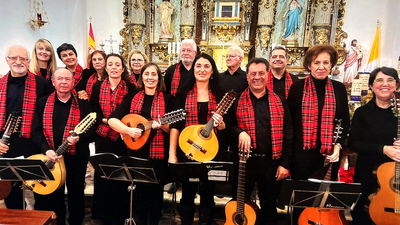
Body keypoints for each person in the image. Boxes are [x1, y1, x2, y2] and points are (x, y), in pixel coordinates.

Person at [229, 58, 293, 224]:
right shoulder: (236, 100)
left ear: (267, 74)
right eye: (253, 74)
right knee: (239, 205)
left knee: (269, 207)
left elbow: (288, 133)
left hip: (271, 162)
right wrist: (240, 132)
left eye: (261, 73)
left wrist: (285, 163)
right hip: (244, 162)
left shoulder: (280, 101)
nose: (257, 77)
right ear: (247, 76)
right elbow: (227, 127)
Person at [108, 63, 172, 225]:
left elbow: (172, 128)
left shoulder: (167, 98)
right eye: (147, 74)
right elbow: (112, 119)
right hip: (136, 153)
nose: (150, 77)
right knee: (138, 196)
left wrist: (162, 125)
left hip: (158, 155)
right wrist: (128, 131)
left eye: (154, 74)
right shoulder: (132, 98)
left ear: (159, 78)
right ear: (141, 78)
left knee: (156, 196)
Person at [32, 68, 94, 225]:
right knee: (54, 194)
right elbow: (35, 131)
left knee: (76, 193)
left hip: (76, 157)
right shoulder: (42, 102)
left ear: (73, 82)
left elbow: (92, 131)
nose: (64, 82)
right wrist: (46, 150)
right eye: (60, 79)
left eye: (68, 79)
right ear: (53, 81)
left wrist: (80, 138)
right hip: (50, 156)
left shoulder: (83, 104)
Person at [169, 53, 225, 225]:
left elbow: (226, 126)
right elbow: (176, 126)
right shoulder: (183, 93)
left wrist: (221, 123)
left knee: (208, 194)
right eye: (198, 66)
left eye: (206, 66)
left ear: (212, 70)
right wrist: (172, 153)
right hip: (188, 148)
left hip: (211, 150)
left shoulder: (220, 94)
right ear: (193, 70)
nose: (202, 70)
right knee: (187, 193)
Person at [0, 45, 53, 209]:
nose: (18, 61)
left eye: (23, 58)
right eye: (14, 58)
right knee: (12, 193)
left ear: (29, 61)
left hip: (34, 143)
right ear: (7, 60)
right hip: (6, 144)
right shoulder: (0, 84)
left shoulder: (43, 84)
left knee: (41, 189)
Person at [288, 44, 350, 181]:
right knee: (301, 196)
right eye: (316, 62)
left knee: (323, 198)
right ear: (309, 65)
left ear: (331, 64)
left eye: (326, 62)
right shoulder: (297, 87)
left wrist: (338, 147)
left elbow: (344, 121)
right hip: (301, 155)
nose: (321, 67)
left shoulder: (339, 89)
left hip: (328, 154)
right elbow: (290, 123)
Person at [348, 67, 400, 225]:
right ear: (371, 85)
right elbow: (353, 143)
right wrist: (383, 149)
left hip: (396, 176)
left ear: (397, 86)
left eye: (390, 80)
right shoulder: (362, 113)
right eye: (379, 80)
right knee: (362, 216)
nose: (385, 84)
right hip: (367, 173)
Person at [89, 53, 135, 224]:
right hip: (103, 136)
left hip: (122, 137)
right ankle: (101, 215)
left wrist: (119, 125)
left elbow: (131, 110)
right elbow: (93, 110)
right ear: (106, 67)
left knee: (120, 177)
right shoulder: (97, 87)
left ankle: (119, 215)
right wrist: (106, 121)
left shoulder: (130, 88)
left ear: (123, 69)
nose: (114, 67)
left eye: (117, 64)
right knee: (102, 176)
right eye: (110, 64)